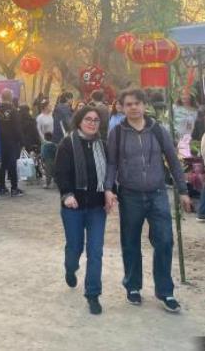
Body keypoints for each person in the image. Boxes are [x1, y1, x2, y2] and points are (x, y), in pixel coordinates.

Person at [105, 89, 192, 313]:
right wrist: (108, 189)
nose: (133, 107)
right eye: (128, 104)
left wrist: (183, 190)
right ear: (122, 107)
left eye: (137, 103)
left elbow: (173, 160)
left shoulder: (158, 130)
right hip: (130, 195)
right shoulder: (117, 133)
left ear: (144, 105)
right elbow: (111, 163)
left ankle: (165, 291)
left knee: (164, 240)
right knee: (130, 242)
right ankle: (133, 286)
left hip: (157, 194)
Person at [54, 106, 108, 315]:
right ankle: (70, 268)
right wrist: (67, 194)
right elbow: (60, 173)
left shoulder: (103, 145)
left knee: (95, 251)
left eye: (96, 120)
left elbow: (109, 174)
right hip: (73, 206)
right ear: (79, 121)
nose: (92, 123)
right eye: (88, 119)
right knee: (75, 247)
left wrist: (111, 193)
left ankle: (93, 294)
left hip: (97, 207)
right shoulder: (67, 144)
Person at [0, 89, 23, 197]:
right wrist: (21, 140)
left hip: (1, 141)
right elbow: (17, 127)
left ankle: (2, 187)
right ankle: (14, 188)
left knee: (3, 164)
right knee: (12, 164)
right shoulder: (13, 110)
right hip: (12, 141)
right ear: (11, 97)